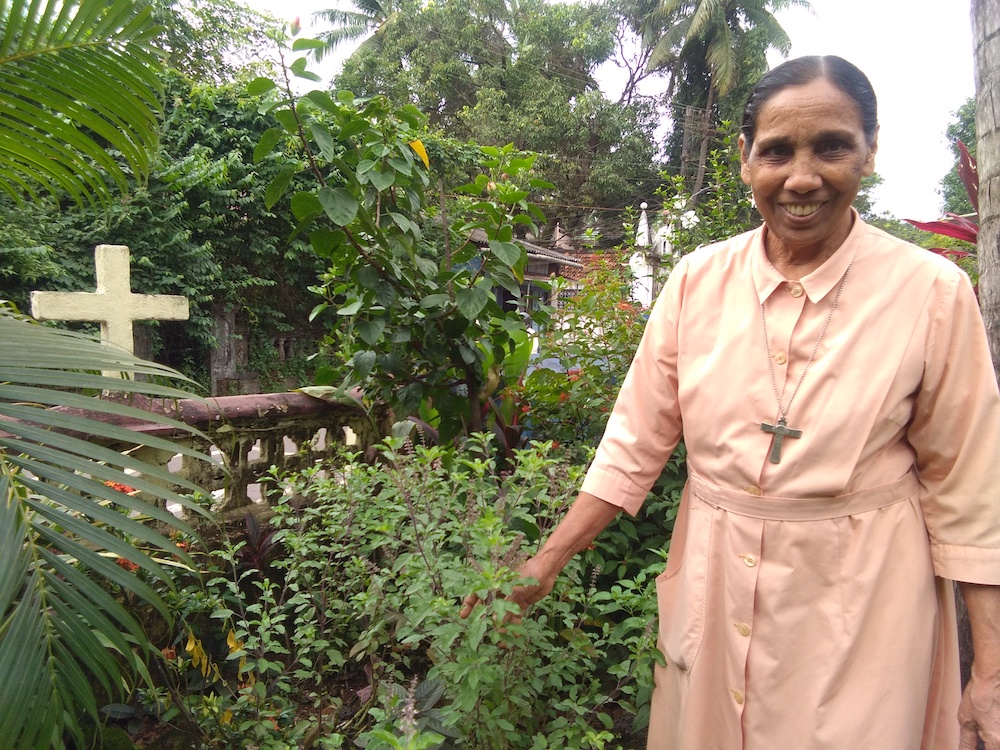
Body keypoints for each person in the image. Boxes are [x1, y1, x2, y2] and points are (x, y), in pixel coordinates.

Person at [461, 55, 1000, 749]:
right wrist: (546, 561)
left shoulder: (930, 292)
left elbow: (970, 491)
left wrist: (989, 668)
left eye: (831, 145)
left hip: (866, 601)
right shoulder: (696, 282)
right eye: (777, 151)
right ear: (746, 161)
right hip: (716, 582)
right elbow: (634, 440)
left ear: (870, 150)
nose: (802, 177)